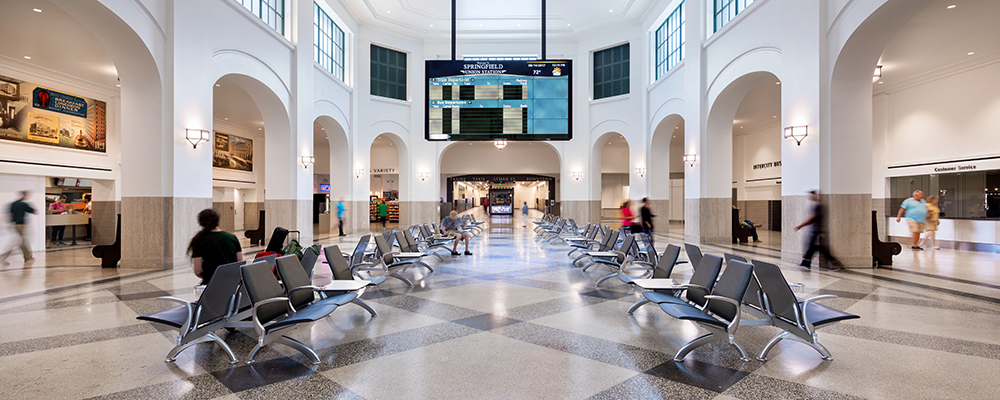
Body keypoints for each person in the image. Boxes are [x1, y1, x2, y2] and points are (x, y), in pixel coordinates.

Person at [187, 209, 243, 286]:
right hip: (232, 282)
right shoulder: (232, 237)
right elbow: (239, 262)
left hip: (211, 283)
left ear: (200, 223)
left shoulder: (199, 240)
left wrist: (208, 276)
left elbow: (198, 270)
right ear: (218, 221)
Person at [794, 190, 843, 271]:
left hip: (818, 231)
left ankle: (835, 264)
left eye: (812, 195)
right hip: (815, 231)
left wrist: (801, 225)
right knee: (813, 248)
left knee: (821, 249)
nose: (810, 197)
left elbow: (813, 218)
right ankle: (806, 262)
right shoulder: (816, 205)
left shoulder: (819, 206)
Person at [1, 190, 38, 266]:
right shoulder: (23, 204)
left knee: (22, 241)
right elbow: (35, 212)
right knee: (21, 242)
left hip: (14, 225)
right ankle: (27, 257)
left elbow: (9, 215)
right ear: (24, 195)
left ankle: (28, 257)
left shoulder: (13, 204)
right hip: (21, 225)